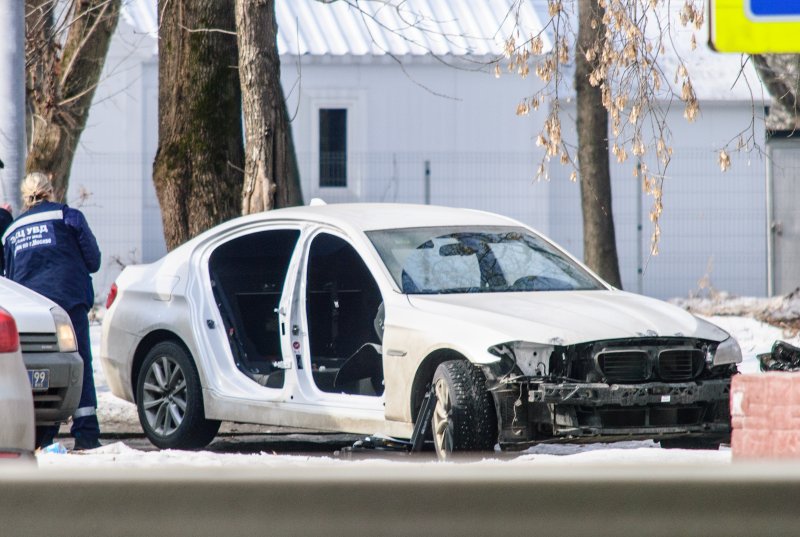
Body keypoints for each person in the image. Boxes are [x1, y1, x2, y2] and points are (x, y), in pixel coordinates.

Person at [2, 172, 101, 450]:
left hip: (32, 311)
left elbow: (6, 276)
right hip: (69, 301)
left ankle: (42, 437)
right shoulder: (68, 217)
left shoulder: (11, 231)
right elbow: (93, 260)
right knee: (79, 364)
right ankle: (87, 435)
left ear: (25, 197)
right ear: (50, 191)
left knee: (37, 367)